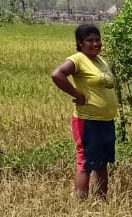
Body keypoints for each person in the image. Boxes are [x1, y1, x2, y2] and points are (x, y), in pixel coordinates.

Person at [50, 23, 117, 198]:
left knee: (101, 163)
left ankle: (101, 200)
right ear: (80, 43)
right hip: (88, 121)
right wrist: (77, 94)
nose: (95, 43)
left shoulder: (100, 60)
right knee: (86, 163)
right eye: (90, 40)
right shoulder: (78, 59)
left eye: (98, 39)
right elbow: (57, 74)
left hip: (106, 120)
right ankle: (82, 204)